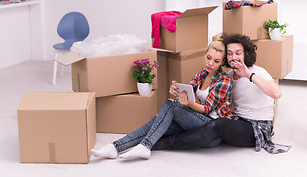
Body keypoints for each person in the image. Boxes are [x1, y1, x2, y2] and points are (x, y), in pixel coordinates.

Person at [91, 35, 234, 160]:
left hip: (214, 130)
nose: (210, 63)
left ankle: (145, 146)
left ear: (222, 62)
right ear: (205, 54)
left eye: (216, 61)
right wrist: (177, 91)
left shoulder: (223, 81)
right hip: (200, 122)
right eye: (208, 58)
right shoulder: (203, 73)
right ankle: (115, 147)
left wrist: (188, 103)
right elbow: (188, 90)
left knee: (170, 106)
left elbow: (205, 109)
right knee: (158, 120)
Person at [152, 33, 291, 154]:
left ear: (245, 54)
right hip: (238, 121)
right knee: (198, 120)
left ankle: (163, 144)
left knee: (218, 125)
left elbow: (276, 93)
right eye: (230, 53)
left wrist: (249, 75)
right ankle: (147, 141)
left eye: (238, 53)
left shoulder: (258, 72)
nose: (233, 57)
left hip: (257, 127)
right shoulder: (229, 76)